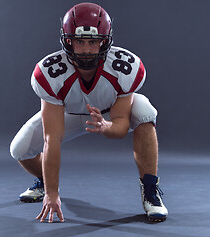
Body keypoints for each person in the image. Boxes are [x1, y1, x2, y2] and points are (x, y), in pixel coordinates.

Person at [10, 2, 168, 223]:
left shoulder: (124, 67)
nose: (86, 50)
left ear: (105, 41)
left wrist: (107, 126)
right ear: (67, 41)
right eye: (79, 41)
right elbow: (51, 138)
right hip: (69, 113)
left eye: (93, 42)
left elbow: (121, 124)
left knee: (144, 110)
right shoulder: (50, 72)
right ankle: (44, 181)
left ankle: (151, 192)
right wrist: (52, 193)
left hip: (110, 112)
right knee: (19, 149)